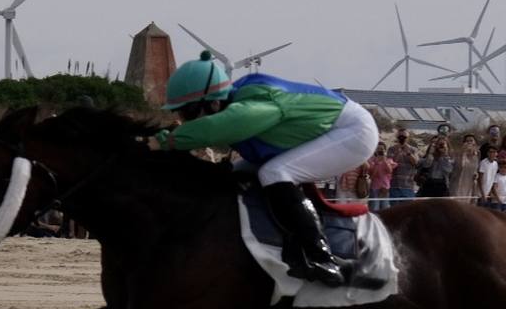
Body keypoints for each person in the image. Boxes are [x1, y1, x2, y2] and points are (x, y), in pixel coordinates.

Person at [151, 52, 378, 286]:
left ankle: (321, 257)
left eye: (187, 113)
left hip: (353, 131)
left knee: (275, 173)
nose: (186, 121)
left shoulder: (253, 103)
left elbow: (218, 126)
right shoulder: (240, 100)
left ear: (214, 103)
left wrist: (168, 141)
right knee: (234, 172)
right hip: (329, 130)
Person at [387, 129, 420, 204]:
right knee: (394, 210)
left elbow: (416, 163)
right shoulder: (392, 149)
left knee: (407, 212)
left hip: (408, 185)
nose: (402, 138)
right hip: (394, 185)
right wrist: (398, 152)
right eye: (400, 136)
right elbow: (390, 164)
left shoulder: (413, 149)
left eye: (404, 137)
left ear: (408, 138)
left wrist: (408, 153)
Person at [450, 133, 480, 201]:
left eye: (471, 140)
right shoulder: (458, 155)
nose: (469, 143)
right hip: (458, 184)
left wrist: (476, 174)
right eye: (467, 141)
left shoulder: (476, 156)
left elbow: (476, 169)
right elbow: (460, 166)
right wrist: (463, 152)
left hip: (469, 185)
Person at [365, 142, 393, 210]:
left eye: (381, 149)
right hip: (375, 187)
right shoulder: (371, 160)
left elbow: (390, 171)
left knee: (385, 209)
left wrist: (384, 161)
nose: (379, 150)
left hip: (385, 188)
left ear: (385, 150)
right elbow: (372, 175)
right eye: (378, 149)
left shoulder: (389, 160)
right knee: (374, 209)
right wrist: (377, 162)